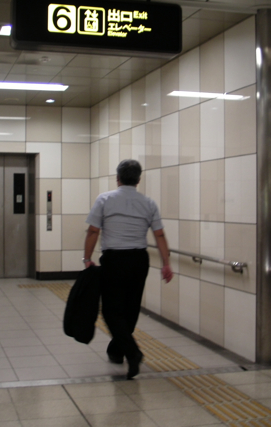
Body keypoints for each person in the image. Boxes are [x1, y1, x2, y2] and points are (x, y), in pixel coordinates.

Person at [83, 159, 173, 379]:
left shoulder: (105, 199)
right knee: (131, 309)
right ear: (138, 180)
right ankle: (116, 351)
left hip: (114, 260)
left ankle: (132, 353)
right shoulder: (149, 203)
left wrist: (87, 258)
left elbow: (93, 231)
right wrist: (166, 263)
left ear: (118, 178)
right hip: (139, 260)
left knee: (111, 311)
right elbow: (159, 234)